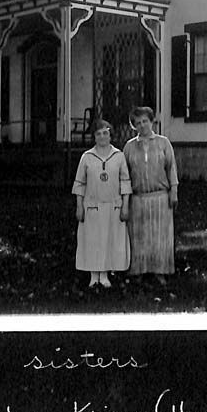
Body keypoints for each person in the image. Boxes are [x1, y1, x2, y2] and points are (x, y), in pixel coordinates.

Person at [71, 120, 131, 289]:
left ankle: (104, 275)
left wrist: (125, 206)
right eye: (98, 134)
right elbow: (80, 184)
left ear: (110, 135)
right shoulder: (87, 157)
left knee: (109, 240)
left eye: (105, 133)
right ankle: (93, 276)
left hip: (113, 206)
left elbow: (125, 182)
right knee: (93, 241)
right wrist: (79, 206)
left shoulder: (118, 156)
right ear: (94, 137)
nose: (102, 136)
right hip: (93, 207)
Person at [122, 106, 179, 281]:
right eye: (138, 123)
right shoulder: (129, 147)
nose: (142, 125)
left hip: (160, 197)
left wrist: (174, 192)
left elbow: (171, 169)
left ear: (152, 121)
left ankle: (160, 271)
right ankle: (139, 271)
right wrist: (125, 200)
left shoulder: (163, 143)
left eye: (145, 121)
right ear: (134, 126)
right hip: (138, 198)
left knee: (160, 236)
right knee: (139, 237)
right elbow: (124, 176)